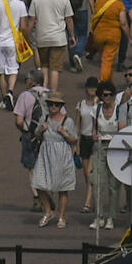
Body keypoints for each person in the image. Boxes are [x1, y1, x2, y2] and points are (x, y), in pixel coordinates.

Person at [26, 82, 78, 227]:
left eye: (56, 104)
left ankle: (62, 217)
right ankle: (48, 211)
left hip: (62, 154)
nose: (53, 107)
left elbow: (74, 139)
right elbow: (36, 135)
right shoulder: (45, 119)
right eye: (51, 104)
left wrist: (65, 134)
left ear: (61, 106)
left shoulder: (68, 121)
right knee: (38, 183)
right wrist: (41, 131)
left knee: (63, 187)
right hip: (46, 153)